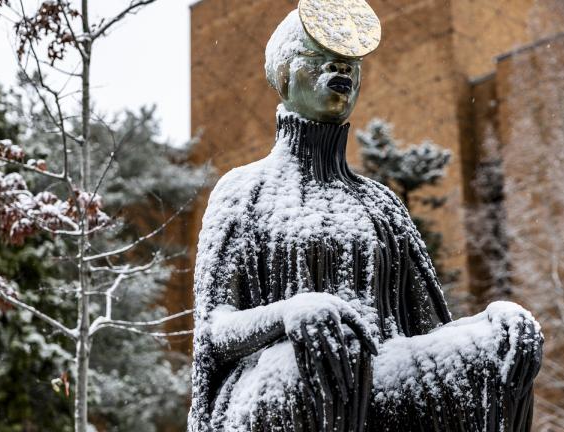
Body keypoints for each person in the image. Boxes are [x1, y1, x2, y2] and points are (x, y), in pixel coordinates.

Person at [188, 3, 543, 431]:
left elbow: (429, 331)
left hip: (379, 374)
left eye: (347, 64)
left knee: (497, 346)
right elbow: (214, 329)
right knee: (321, 353)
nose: (338, 71)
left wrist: (494, 325)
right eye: (317, 60)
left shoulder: (380, 204)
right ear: (283, 75)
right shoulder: (243, 190)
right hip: (270, 386)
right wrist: (290, 315)